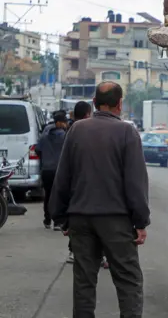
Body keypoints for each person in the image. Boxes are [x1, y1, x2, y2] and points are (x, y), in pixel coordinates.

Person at [49, 81, 150, 318]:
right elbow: (135, 182)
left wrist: (62, 217)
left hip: (80, 218)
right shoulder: (127, 132)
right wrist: (141, 222)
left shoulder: (76, 130)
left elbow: (63, 176)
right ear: (120, 104)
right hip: (116, 220)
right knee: (128, 280)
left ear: (94, 103)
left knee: (84, 281)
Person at [64, 100, 97, 265]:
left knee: (75, 221)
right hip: (83, 182)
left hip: (73, 183)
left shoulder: (69, 129)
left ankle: (75, 251)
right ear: (86, 114)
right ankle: (80, 252)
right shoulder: (83, 131)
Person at [36, 111, 68, 230]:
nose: (65, 124)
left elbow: (37, 150)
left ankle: (47, 219)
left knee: (48, 195)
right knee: (58, 196)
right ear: (59, 123)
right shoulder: (65, 137)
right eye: (64, 122)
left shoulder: (44, 137)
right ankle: (57, 222)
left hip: (46, 170)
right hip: (59, 171)